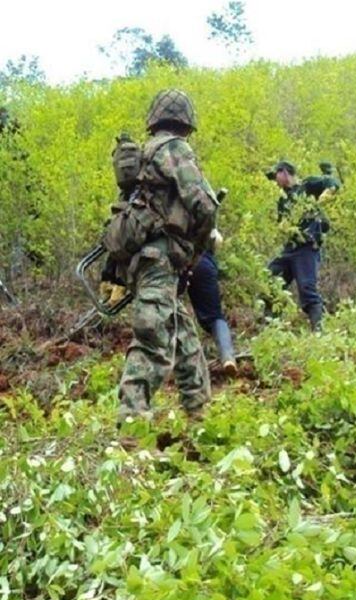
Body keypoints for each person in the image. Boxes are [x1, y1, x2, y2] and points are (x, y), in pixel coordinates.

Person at [112, 89, 219, 431]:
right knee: (153, 342)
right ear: (186, 124)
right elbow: (205, 206)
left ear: (154, 121)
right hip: (161, 261)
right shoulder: (173, 148)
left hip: (147, 261)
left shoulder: (144, 156)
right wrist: (197, 251)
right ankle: (131, 432)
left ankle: (199, 416)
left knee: (185, 340)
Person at [266, 160, 330, 331]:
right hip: (289, 249)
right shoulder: (283, 199)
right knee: (270, 282)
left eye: (276, 176)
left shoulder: (307, 186)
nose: (275, 181)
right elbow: (282, 224)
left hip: (307, 248)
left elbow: (331, 182)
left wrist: (328, 193)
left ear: (285, 173)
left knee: (307, 290)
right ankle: (271, 329)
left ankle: (319, 333)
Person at [179, 246, 237, 376]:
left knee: (167, 310)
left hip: (177, 262)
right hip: (203, 261)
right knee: (215, 317)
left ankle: (174, 361)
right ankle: (227, 357)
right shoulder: (206, 225)